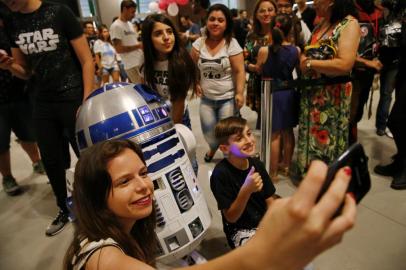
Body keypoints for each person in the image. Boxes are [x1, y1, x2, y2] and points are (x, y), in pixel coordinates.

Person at [64, 139, 356, 270]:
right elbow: (231, 215)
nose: (143, 185)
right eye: (123, 182)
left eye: (143, 173)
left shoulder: (257, 166)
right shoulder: (102, 256)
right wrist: (260, 255)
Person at [0, 0, 94, 236]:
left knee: (88, 155)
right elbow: (25, 70)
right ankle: (64, 208)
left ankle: (98, 207)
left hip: (72, 97)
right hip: (41, 101)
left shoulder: (59, 12)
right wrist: (10, 66)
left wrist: (86, 101)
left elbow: (87, 60)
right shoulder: (12, 21)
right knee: (51, 161)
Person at [292, 0, 360, 182]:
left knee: (328, 141)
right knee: (310, 136)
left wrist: (310, 63)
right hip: (312, 95)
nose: (314, 4)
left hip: (332, 98)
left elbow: (345, 64)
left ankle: (324, 181)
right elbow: (307, 50)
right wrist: (305, 59)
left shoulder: (349, 24)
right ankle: (309, 175)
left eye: (318, 1)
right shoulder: (322, 23)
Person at [210, 117, 277, 248]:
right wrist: (246, 190)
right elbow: (231, 217)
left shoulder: (257, 164)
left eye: (249, 133)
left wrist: (271, 224)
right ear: (224, 148)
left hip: (264, 222)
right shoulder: (220, 174)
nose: (249, 141)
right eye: (239, 138)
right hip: (240, 231)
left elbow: (270, 199)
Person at [191, 4, 245, 162]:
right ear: (206, 21)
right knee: (209, 133)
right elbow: (191, 67)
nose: (215, 23)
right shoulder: (198, 44)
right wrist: (195, 82)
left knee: (227, 134)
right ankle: (214, 147)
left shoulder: (232, 44)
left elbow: (240, 71)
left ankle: (230, 160)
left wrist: (240, 93)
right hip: (206, 99)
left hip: (227, 99)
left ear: (226, 23)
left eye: (220, 20)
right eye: (212, 19)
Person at [0, 7, 44, 196]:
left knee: (27, 133)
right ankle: (7, 176)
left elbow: (24, 63)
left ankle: (36, 161)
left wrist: (10, 63)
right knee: (1, 141)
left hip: (18, 92)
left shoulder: (11, 31)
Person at [254, 13, 299, 181]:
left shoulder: (265, 50)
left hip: (272, 93)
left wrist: (251, 66)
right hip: (289, 94)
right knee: (288, 132)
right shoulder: (296, 50)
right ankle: (286, 166)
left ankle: (272, 172)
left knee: (274, 134)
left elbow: (259, 69)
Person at [374, 5, 406, 190]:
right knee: (397, 121)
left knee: (397, 120)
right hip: (402, 66)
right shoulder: (397, 11)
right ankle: (401, 160)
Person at [350, 0, 383, 142]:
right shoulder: (350, 10)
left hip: (369, 70)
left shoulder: (379, 12)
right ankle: (349, 146)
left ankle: (351, 143)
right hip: (352, 70)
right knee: (351, 111)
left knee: (358, 111)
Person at [244, 0, 277, 129]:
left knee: (281, 127)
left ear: (275, 12)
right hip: (258, 84)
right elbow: (244, 60)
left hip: (280, 84)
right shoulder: (251, 36)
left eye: (270, 10)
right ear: (256, 15)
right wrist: (252, 67)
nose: (266, 13)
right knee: (264, 124)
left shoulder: (283, 32)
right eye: (262, 11)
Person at [375, 0, 402, 136]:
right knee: (386, 94)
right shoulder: (381, 19)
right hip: (385, 61)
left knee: (387, 94)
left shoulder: (398, 19)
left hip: (394, 61)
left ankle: (383, 124)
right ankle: (382, 124)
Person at [110, 0, 143, 84]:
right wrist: (138, 46)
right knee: (142, 90)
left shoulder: (130, 25)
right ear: (124, 9)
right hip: (131, 64)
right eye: (132, 12)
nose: (134, 15)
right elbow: (119, 49)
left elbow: (134, 41)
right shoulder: (116, 26)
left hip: (140, 61)